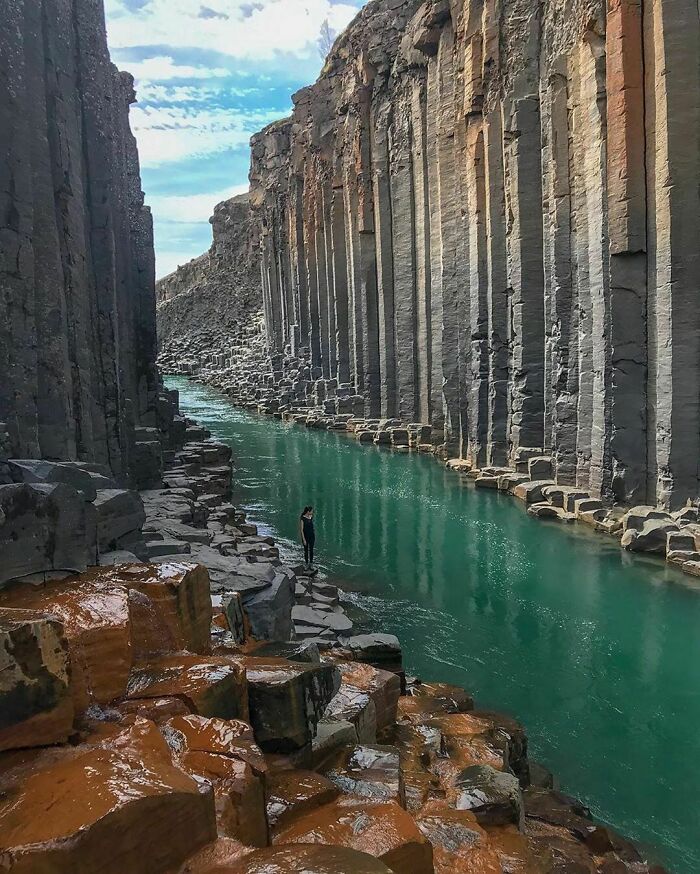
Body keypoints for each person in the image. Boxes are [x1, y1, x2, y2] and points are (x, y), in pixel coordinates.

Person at [299, 505, 315, 570]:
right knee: (306, 551)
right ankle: (306, 564)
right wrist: (304, 539)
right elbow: (301, 530)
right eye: (311, 511)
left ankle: (311, 564)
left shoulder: (311, 517)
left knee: (311, 550)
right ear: (308, 511)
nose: (312, 512)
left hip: (312, 536)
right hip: (305, 536)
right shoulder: (302, 518)